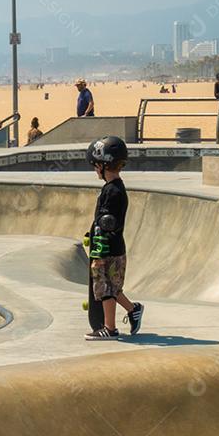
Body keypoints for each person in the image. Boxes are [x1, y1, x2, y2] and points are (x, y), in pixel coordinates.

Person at [83, 136, 142, 340]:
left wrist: (99, 237)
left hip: (106, 248)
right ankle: (134, 309)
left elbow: (109, 220)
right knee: (113, 287)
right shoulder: (116, 187)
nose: (94, 170)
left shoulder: (112, 191)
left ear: (103, 165)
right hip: (115, 246)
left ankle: (110, 328)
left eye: (95, 166)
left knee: (104, 287)